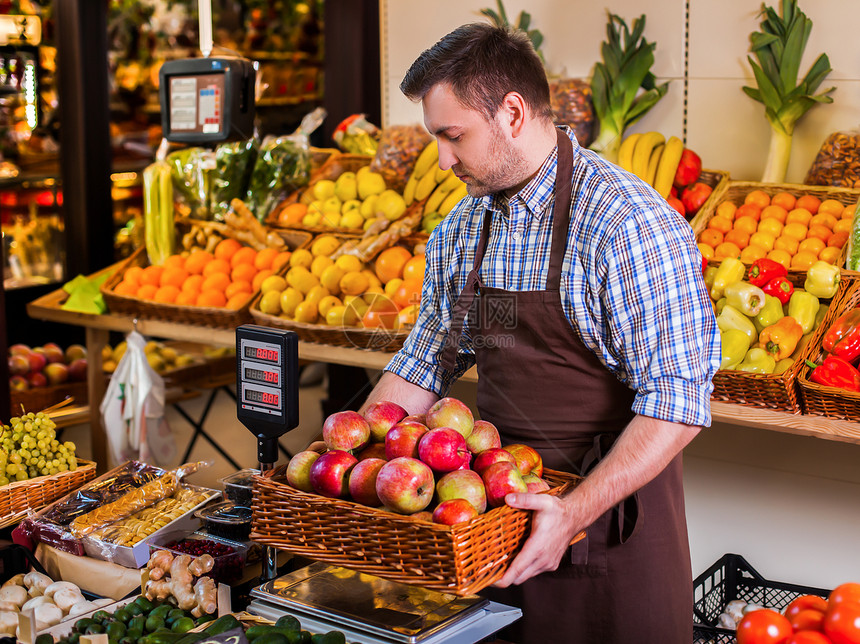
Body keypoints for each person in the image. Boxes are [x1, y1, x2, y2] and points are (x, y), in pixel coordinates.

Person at [359, 23, 720, 643]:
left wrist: (572, 512)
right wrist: (349, 465)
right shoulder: (461, 232)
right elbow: (425, 360)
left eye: (453, 136)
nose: (443, 160)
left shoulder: (626, 224)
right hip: (487, 521)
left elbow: (679, 405)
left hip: (608, 531)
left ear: (513, 112)